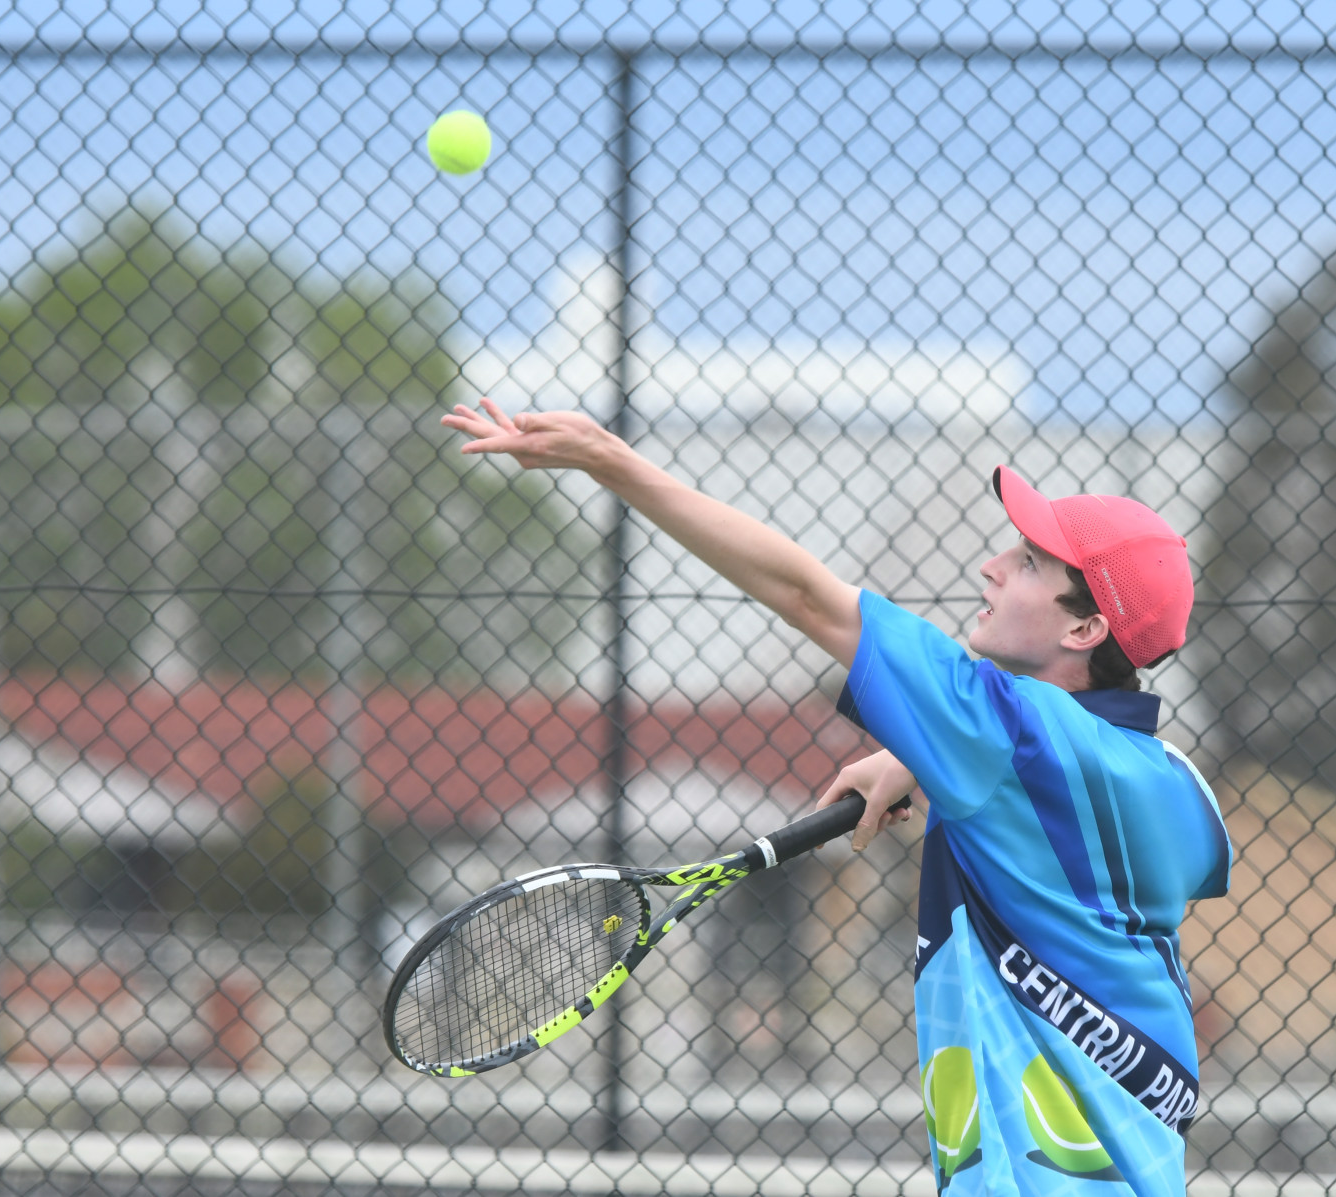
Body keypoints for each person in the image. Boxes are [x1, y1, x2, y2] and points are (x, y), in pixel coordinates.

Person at [442, 399, 1231, 1196]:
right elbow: (1064, 804)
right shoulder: (1170, 783)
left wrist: (610, 461)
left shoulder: (1003, 728)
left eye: (1029, 562)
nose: (992, 565)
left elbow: (805, 594)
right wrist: (924, 761)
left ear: (1086, 630)